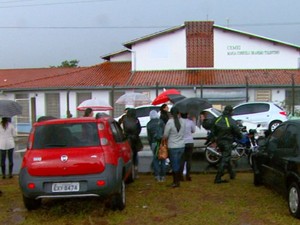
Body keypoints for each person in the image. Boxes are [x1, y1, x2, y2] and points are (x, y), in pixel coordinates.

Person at [211, 105, 242, 184]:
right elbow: (237, 131)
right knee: (225, 159)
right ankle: (218, 178)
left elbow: (213, 130)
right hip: (227, 142)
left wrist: (214, 139)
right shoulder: (231, 121)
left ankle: (232, 174)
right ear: (231, 112)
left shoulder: (218, 119)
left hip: (219, 142)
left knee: (226, 157)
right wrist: (240, 137)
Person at [163, 107, 185, 188]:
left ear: (171, 113)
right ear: (179, 113)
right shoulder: (183, 121)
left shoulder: (170, 122)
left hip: (173, 145)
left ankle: (175, 182)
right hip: (182, 145)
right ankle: (178, 179)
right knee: (178, 163)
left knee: (174, 164)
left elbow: (165, 135)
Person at [147, 110, 166, 182]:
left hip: (154, 143)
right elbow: (165, 132)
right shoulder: (161, 122)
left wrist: (150, 144)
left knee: (155, 160)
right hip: (162, 142)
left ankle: (157, 176)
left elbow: (149, 137)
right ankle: (163, 176)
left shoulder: (149, 124)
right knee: (163, 159)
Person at [123, 108, 142, 176]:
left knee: (130, 154)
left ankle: (130, 170)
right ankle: (136, 168)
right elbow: (139, 128)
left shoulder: (125, 120)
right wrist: (136, 134)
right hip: (135, 138)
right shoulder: (136, 120)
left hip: (128, 139)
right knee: (135, 154)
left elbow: (125, 129)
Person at [179, 113, 196, 181]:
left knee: (182, 159)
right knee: (189, 159)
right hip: (190, 142)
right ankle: (188, 175)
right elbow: (193, 130)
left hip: (182, 142)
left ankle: (181, 176)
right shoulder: (190, 122)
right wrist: (194, 121)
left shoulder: (179, 122)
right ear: (187, 115)